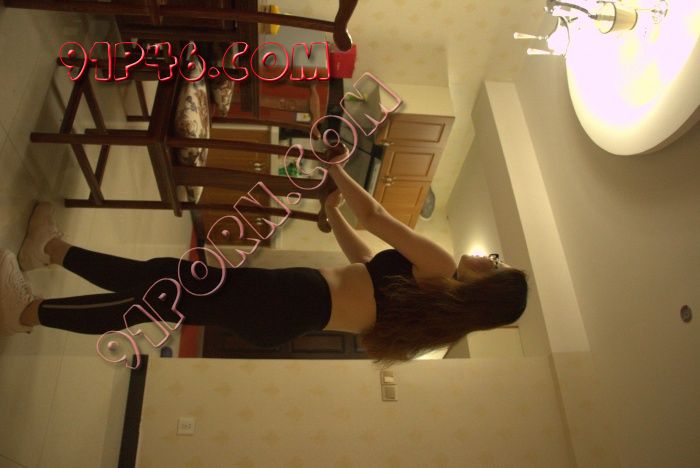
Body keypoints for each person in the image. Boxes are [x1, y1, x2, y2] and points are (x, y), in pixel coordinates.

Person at [0, 150, 528, 364]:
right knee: (160, 288)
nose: (489, 258)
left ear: (490, 287)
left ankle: (29, 305)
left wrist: (336, 166)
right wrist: (333, 214)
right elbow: (368, 261)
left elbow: (376, 217)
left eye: (497, 264)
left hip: (284, 300)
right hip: (283, 313)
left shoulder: (441, 266)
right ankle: (50, 255)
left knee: (158, 289)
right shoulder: (435, 316)